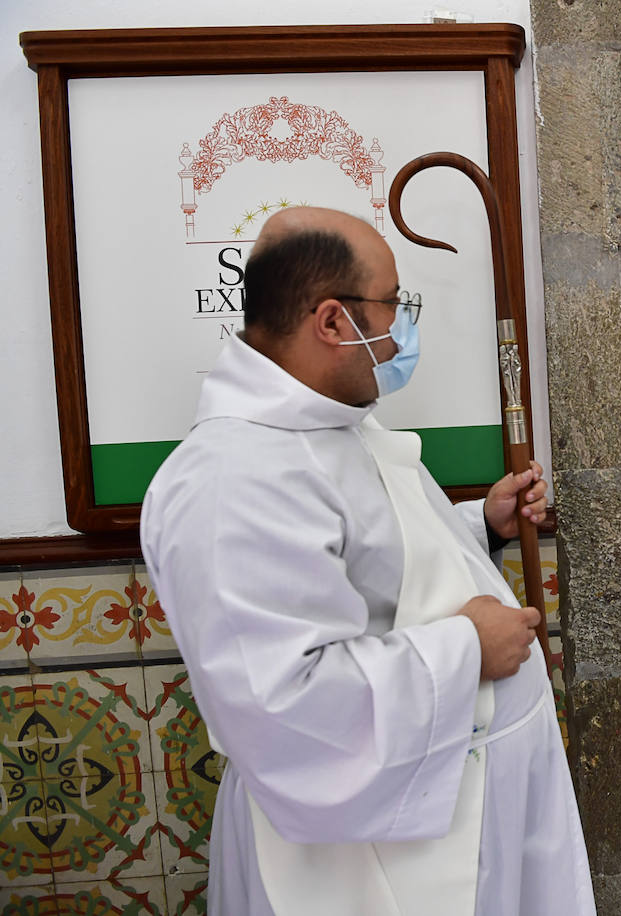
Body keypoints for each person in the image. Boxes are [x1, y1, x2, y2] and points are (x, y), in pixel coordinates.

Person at [140, 207, 595, 915]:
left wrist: (485, 523)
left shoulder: (333, 423)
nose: (400, 328)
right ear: (331, 321)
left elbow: (377, 566)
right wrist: (467, 649)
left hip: (459, 816)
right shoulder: (233, 482)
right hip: (365, 867)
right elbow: (283, 703)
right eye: (393, 304)